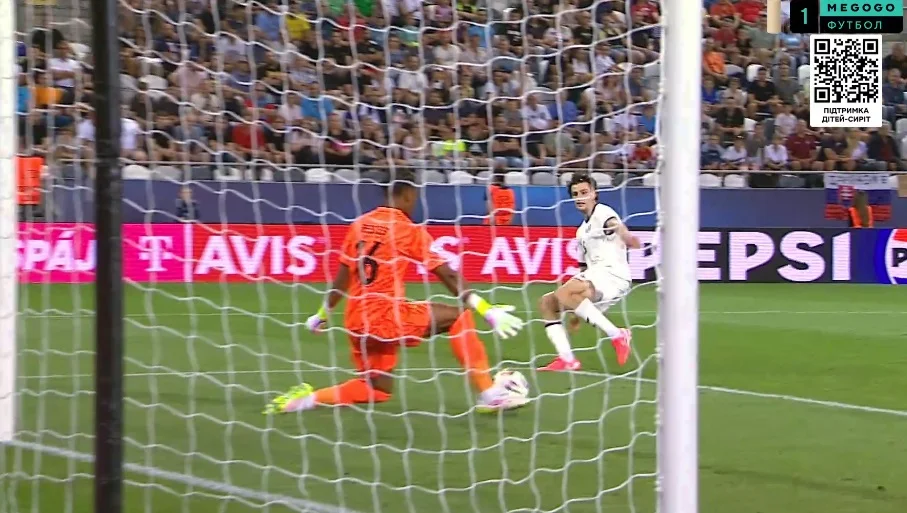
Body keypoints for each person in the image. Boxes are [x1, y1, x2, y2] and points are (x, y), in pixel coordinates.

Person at [265, 171, 527, 414]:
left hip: (356, 321)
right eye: (416, 197)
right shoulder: (407, 229)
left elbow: (343, 278)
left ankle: (304, 400)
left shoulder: (360, 225)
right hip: (387, 317)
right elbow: (447, 274)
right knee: (459, 317)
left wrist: (321, 314)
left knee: (376, 390)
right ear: (408, 194)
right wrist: (485, 309)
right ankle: (489, 393)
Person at [536, 173, 640, 371]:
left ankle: (618, 335)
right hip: (597, 277)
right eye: (575, 194)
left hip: (613, 274)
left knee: (563, 291)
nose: (579, 197)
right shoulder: (581, 231)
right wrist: (576, 312)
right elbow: (584, 268)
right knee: (547, 303)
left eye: (584, 192)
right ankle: (567, 359)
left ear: (594, 194)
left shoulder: (602, 212)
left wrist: (627, 236)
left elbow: (615, 225)